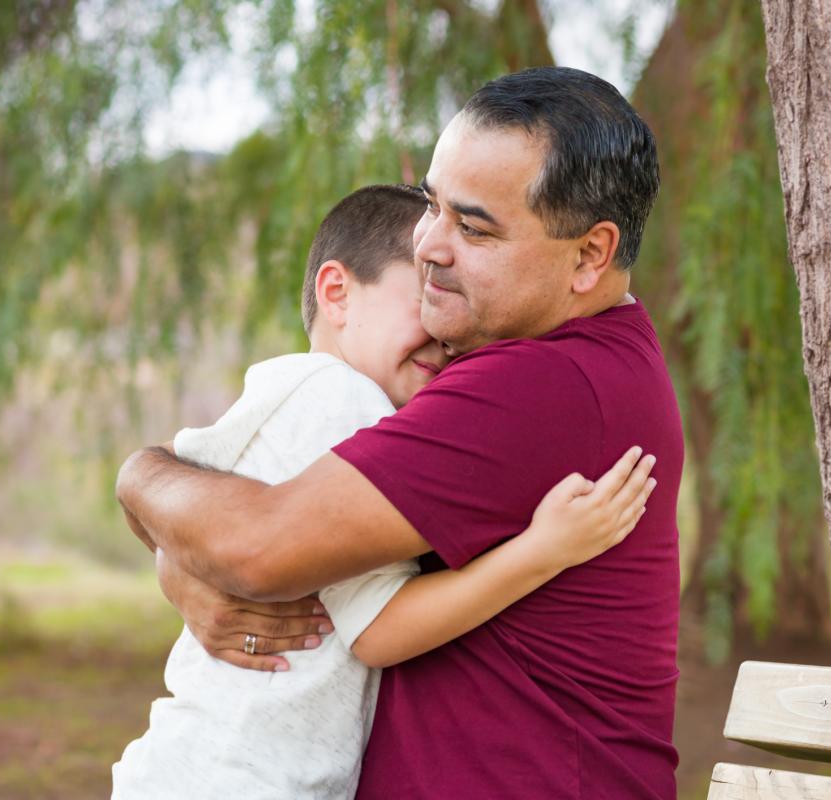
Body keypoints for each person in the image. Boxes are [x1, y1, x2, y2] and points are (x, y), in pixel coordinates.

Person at [117, 67, 683, 798]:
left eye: (473, 227)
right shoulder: (554, 357)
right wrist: (179, 554)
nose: (429, 247)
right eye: (431, 206)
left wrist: (140, 479)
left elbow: (255, 548)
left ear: (590, 255)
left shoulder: (537, 387)